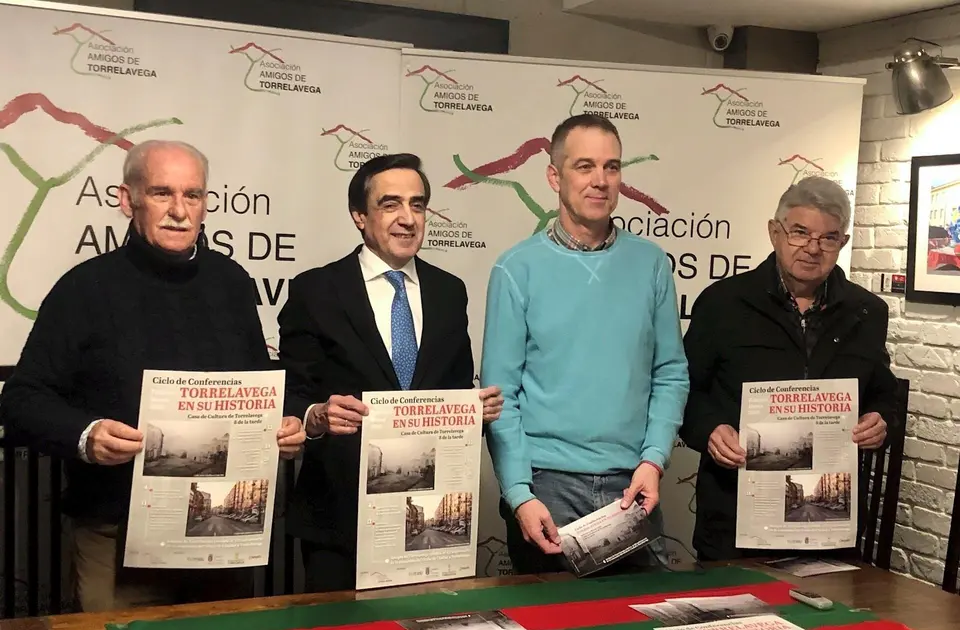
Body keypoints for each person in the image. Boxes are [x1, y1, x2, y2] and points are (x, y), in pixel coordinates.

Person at [0, 139, 306, 611]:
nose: (179, 211)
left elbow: (256, 381)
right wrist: (86, 434)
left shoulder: (231, 283)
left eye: (193, 195)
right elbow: (21, 400)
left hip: (220, 531)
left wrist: (283, 423)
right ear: (128, 200)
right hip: (117, 533)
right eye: (162, 193)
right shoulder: (84, 288)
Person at [277, 153, 503, 592]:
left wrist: (475, 411)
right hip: (339, 517)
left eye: (417, 205)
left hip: (431, 517)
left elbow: (454, 391)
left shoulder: (449, 291)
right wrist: (316, 415)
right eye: (390, 204)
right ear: (360, 216)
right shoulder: (316, 290)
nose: (407, 218)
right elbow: (291, 393)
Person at [480, 114, 690, 575]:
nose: (600, 180)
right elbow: (500, 395)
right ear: (554, 177)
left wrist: (654, 461)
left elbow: (670, 373)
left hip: (633, 485)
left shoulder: (651, 263)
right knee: (553, 621)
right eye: (584, 166)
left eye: (611, 167)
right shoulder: (516, 269)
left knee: (643, 618)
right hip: (546, 487)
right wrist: (519, 494)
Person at [679, 175, 899, 562]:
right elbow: (685, 390)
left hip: (831, 533)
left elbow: (884, 393)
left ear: (843, 243)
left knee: (833, 606)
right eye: (800, 232)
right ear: (774, 232)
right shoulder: (723, 303)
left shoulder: (867, 312)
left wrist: (882, 421)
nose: (812, 248)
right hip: (734, 519)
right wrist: (710, 429)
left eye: (828, 238)